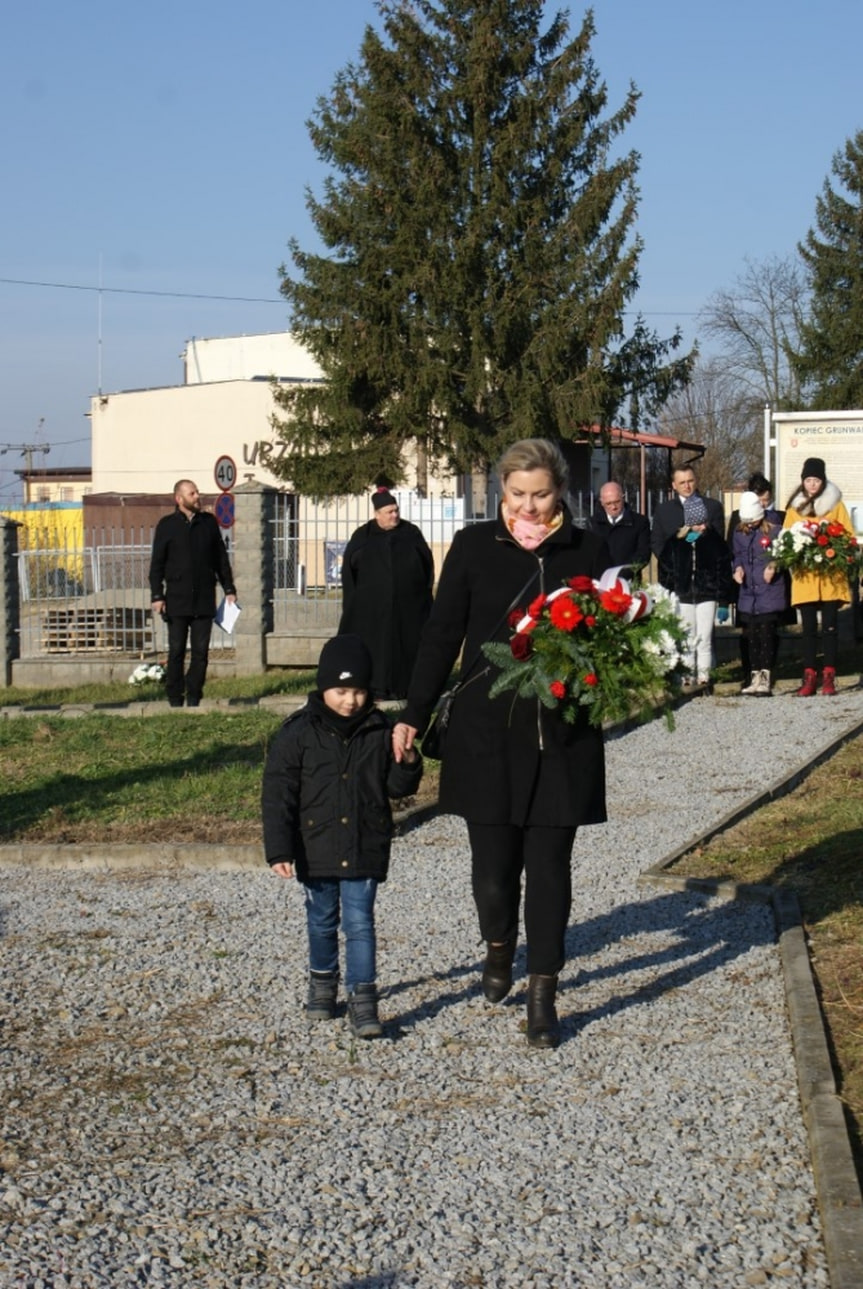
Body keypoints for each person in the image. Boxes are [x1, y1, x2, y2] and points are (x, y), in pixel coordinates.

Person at [393, 438, 609, 1050]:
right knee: (494, 871)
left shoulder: (587, 550)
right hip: (486, 734)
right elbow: (440, 636)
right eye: (517, 495)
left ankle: (544, 993)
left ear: (562, 491)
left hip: (563, 733)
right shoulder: (471, 547)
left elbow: (612, 636)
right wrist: (412, 713)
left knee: (549, 868)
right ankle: (497, 946)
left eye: (541, 495)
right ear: (501, 493)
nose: (530, 508)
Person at [262, 634, 423, 1038]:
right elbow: (278, 793)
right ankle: (322, 986)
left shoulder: (380, 730)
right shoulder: (297, 733)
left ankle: (364, 1000)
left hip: (365, 842)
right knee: (320, 920)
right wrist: (279, 848)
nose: (350, 701)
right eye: (341, 691)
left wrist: (408, 761)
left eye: (358, 691)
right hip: (315, 846)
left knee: (360, 923)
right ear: (323, 687)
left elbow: (398, 789)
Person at [339, 487, 435, 700]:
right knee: (375, 650)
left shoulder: (410, 532)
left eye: (396, 510)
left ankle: (408, 689)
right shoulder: (363, 535)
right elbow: (350, 571)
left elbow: (427, 564)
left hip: (408, 609)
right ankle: (375, 688)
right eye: (389, 512)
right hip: (372, 611)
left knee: (408, 648)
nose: (395, 515)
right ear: (377, 514)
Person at [149, 479, 236, 707]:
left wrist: (229, 588)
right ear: (179, 499)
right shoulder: (167, 525)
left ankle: (194, 695)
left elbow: (220, 558)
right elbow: (157, 564)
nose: (197, 496)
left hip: (204, 599)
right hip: (176, 600)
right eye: (192, 493)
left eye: (197, 492)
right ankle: (175, 698)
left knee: (201, 653)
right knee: (176, 650)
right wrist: (157, 595)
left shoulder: (208, 523)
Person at [650, 465, 732, 687]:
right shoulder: (665, 511)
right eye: (682, 482)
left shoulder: (712, 507)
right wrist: (674, 559)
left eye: (690, 481)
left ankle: (705, 675)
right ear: (674, 485)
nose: (687, 486)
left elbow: (719, 546)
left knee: (704, 636)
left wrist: (701, 533)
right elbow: (658, 542)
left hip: (705, 583)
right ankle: (686, 675)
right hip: (680, 582)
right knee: (685, 634)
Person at [782, 457, 854, 696]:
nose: (812, 485)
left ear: (823, 481)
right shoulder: (795, 507)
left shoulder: (835, 505)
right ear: (803, 481)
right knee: (809, 629)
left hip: (830, 576)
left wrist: (832, 545)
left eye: (816, 480)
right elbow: (786, 539)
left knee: (830, 628)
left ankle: (829, 676)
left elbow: (847, 536)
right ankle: (809, 676)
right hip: (806, 577)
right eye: (808, 480)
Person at [726, 473, 788, 679]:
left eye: (766, 500)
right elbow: (736, 552)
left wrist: (774, 565)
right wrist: (738, 569)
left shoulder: (774, 522)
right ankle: (750, 673)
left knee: (768, 631)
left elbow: (783, 550)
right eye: (759, 499)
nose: (763, 503)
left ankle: (766, 672)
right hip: (747, 587)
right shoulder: (740, 522)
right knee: (749, 633)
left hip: (768, 587)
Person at [586, 481, 651, 574]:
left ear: (623, 498)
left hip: (628, 579)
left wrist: (625, 571)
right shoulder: (593, 524)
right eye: (608, 503)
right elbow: (588, 554)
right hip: (601, 580)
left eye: (617, 502)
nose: (613, 507)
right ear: (602, 503)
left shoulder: (639, 522)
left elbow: (643, 554)